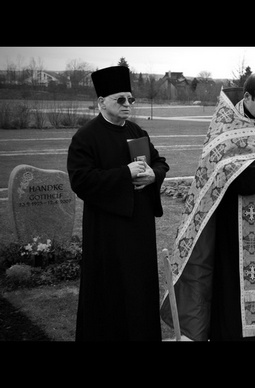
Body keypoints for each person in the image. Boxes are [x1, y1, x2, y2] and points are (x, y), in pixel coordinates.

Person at [160, 72, 255, 341]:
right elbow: (219, 179)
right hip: (239, 234)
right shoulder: (225, 127)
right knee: (237, 295)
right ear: (247, 97)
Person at [67, 66, 170, 341]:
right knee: (109, 294)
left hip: (140, 229)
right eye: (120, 99)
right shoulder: (85, 137)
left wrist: (152, 175)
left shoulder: (137, 130)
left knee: (139, 290)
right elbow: (81, 181)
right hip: (107, 233)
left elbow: (160, 162)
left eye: (131, 99)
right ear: (101, 102)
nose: (127, 105)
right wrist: (125, 173)